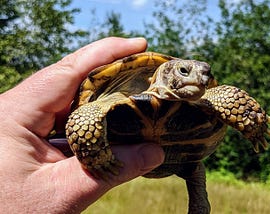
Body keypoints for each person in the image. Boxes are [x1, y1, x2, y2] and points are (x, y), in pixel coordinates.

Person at [0, 37, 164, 213]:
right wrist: (97, 159)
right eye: (184, 71)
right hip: (105, 115)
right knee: (86, 119)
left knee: (195, 178)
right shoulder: (114, 88)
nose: (197, 77)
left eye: (199, 71)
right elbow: (83, 119)